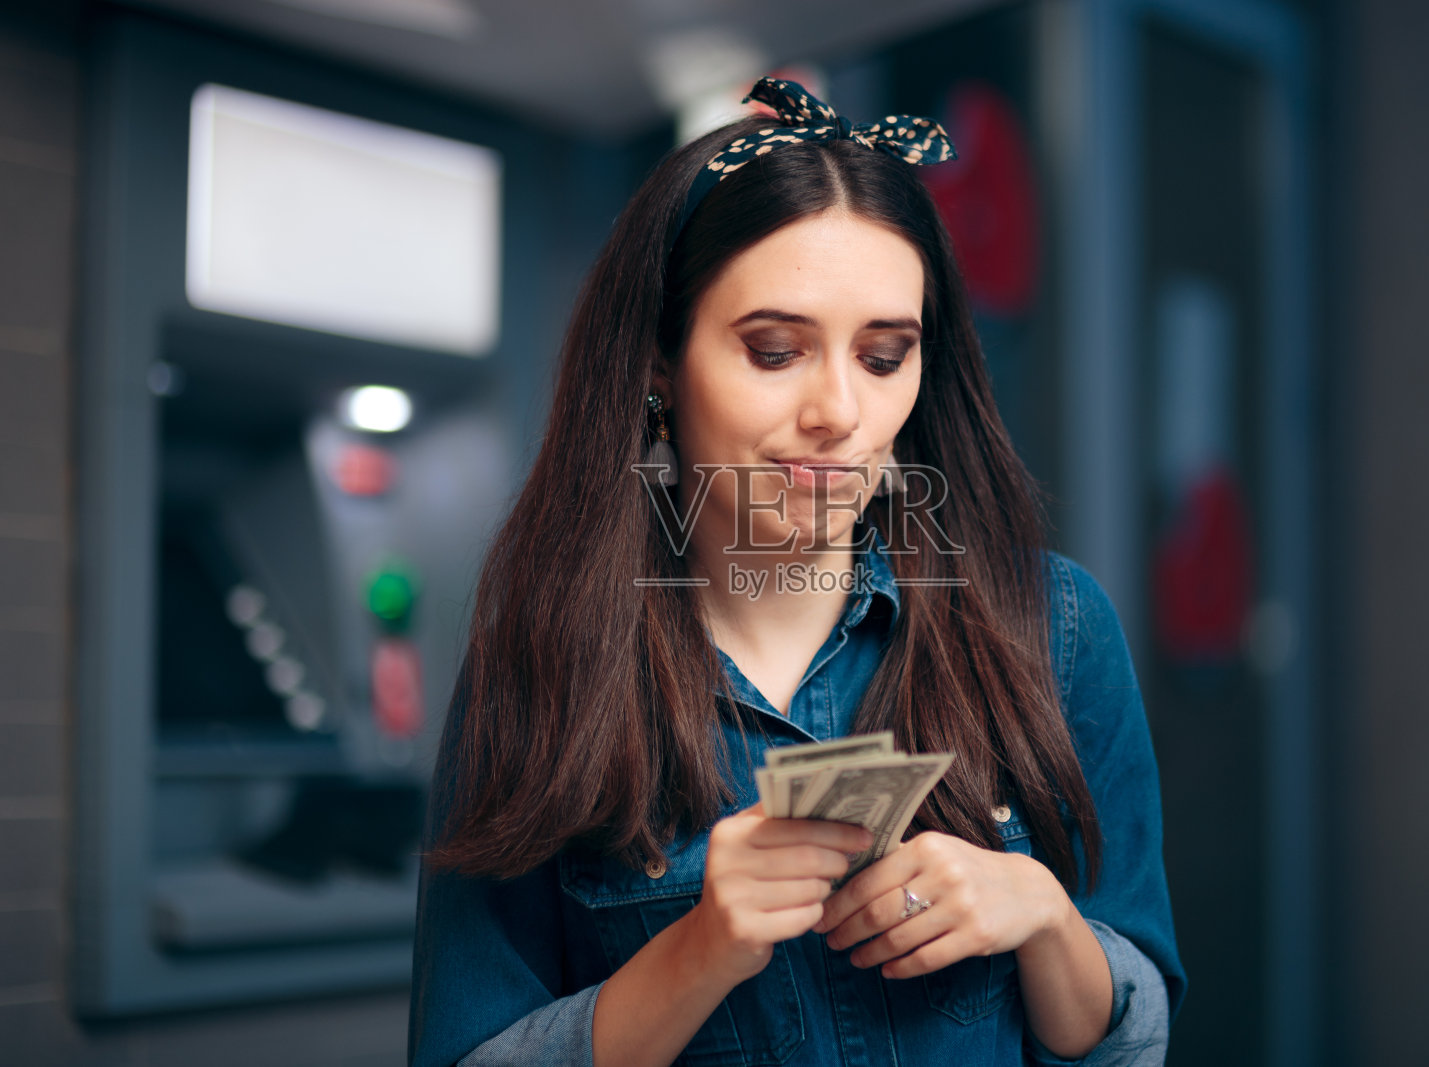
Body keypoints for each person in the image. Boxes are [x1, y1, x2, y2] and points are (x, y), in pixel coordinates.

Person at [408, 78, 1184, 1067]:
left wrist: (1041, 916)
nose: (838, 411)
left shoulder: (1054, 623)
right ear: (658, 361)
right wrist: (699, 949)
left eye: (884, 353)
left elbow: (1135, 1040)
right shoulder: (539, 653)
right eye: (774, 350)